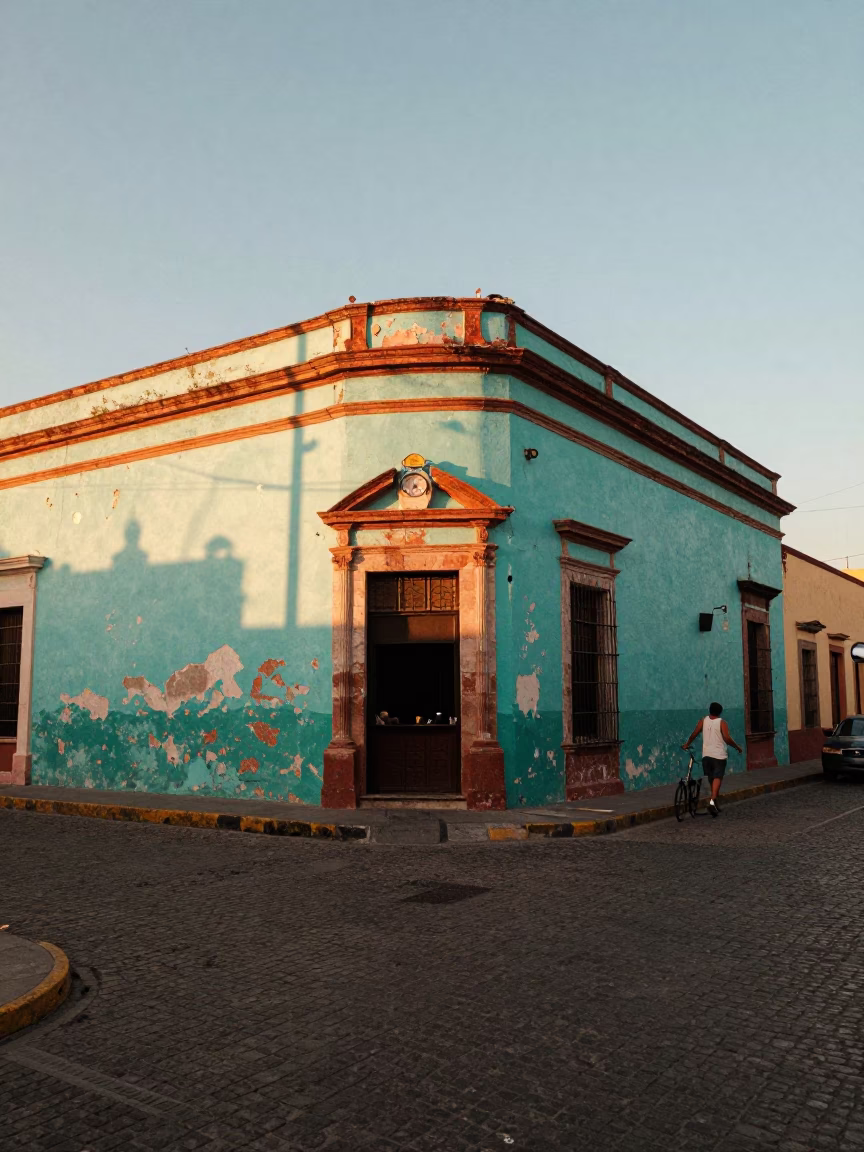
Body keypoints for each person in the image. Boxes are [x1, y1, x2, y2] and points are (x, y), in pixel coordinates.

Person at [681, 702, 743, 817]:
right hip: (719, 755)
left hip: (706, 756)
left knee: (711, 780)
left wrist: (687, 744)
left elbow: (694, 734)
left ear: (709, 710)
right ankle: (712, 801)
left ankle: (715, 804)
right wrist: (737, 747)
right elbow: (727, 738)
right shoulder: (722, 723)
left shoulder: (703, 721)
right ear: (720, 712)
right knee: (718, 777)